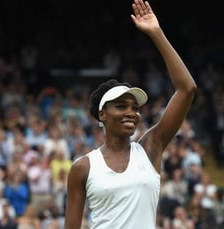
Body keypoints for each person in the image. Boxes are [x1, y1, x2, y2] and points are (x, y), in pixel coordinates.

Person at [64, 0, 197, 228]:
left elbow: (187, 89)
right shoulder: (83, 167)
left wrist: (157, 34)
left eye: (135, 108)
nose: (131, 113)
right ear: (102, 114)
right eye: (121, 106)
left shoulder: (150, 148)